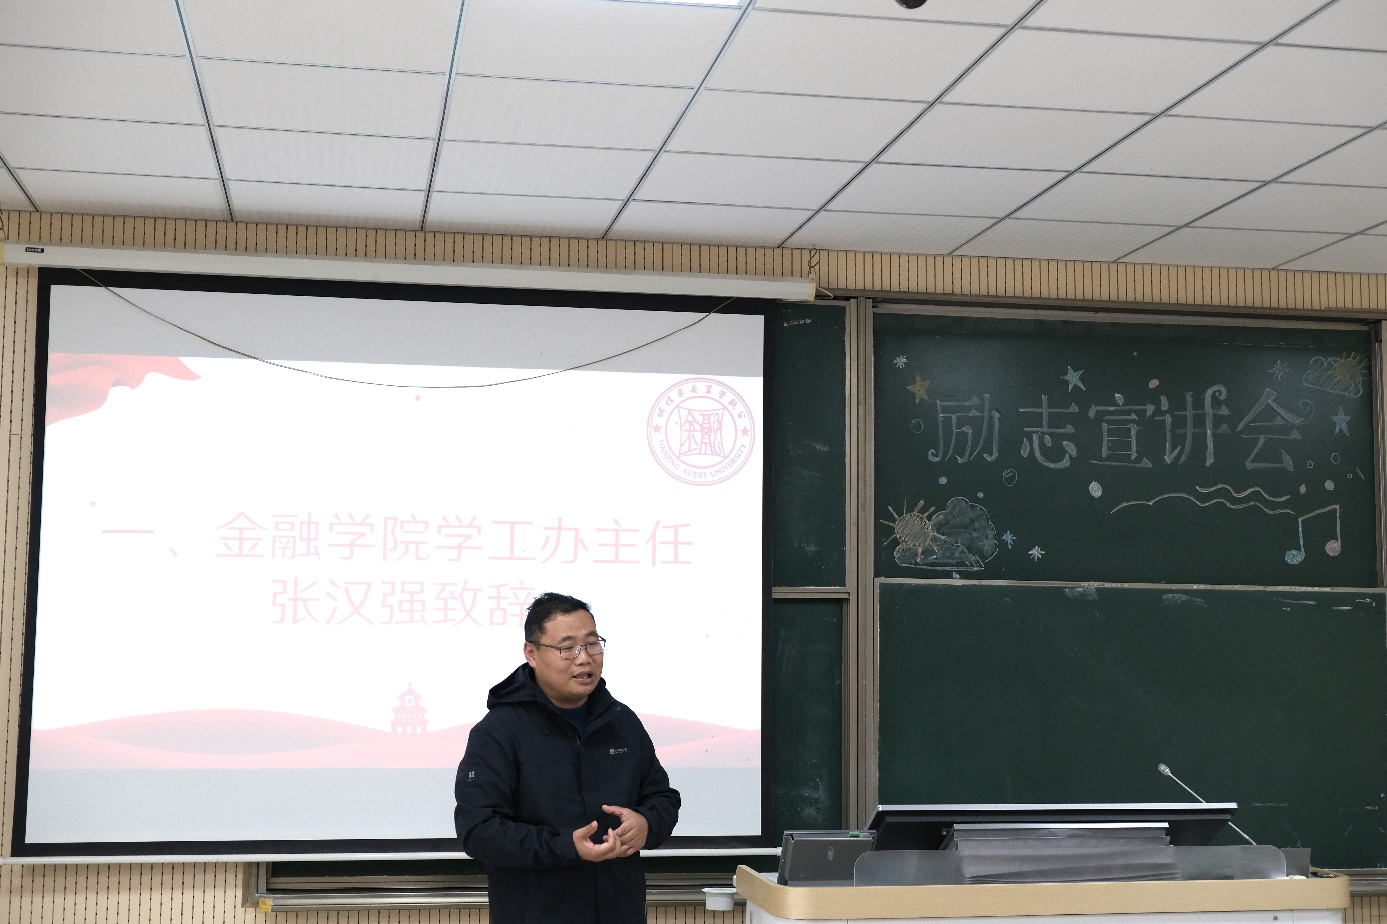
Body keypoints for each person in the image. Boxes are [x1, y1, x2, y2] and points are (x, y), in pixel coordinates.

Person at [454, 592, 680, 924]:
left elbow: (662, 797)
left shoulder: (622, 722)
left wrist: (647, 823)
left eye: (592, 644)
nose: (584, 658)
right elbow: (479, 831)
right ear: (531, 653)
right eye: (567, 648)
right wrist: (565, 846)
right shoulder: (499, 732)